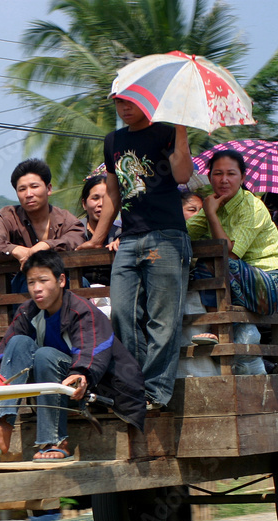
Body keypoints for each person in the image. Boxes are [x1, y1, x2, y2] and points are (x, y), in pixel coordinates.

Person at [80, 96, 194, 411]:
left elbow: (183, 176)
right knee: (122, 314)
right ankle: (139, 384)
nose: (124, 107)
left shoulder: (166, 132)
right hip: (129, 239)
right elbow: (114, 192)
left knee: (163, 320)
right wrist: (99, 237)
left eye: (130, 101)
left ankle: (154, 393)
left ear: (147, 101)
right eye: (118, 102)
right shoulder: (113, 140)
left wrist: (181, 127)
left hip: (166, 236)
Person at [0, 250, 146, 460]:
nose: (37, 289)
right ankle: (2, 427)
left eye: (43, 280)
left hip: (96, 388)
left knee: (45, 355)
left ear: (61, 280)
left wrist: (80, 374)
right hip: (53, 391)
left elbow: (92, 349)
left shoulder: (82, 311)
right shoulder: (27, 312)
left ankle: (56, 441)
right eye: (31, 283)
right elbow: (4, 352)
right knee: (17, 341)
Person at [186, 150, 278, 375]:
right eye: (218, 173)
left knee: (211, 264)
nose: (224, 180)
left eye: (231, 174)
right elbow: (184, 233)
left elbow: (229, 255)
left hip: (270, 284)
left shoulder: (252, 206)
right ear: (209, 177)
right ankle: (228, 334)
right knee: (194, 272)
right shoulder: (214, 204)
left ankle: (218, 329)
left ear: (242, 178)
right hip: (240, 282)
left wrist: (212, 214)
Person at [0, 158, 88, 277]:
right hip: (22, 285)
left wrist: (46, 245)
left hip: (62, 282)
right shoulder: (7, 217)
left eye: (34, 186)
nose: (28, 194)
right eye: (22, 189)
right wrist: (15, 250)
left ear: (48, 189)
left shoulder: (66, 219)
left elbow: (77, 239)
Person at [76, 173, 120, 288]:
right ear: (84, 204)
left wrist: (123, 242)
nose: (101, 204)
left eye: (107, 199)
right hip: (81, 296)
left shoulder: (121, 234)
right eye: (95, 198)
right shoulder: (72, 231)